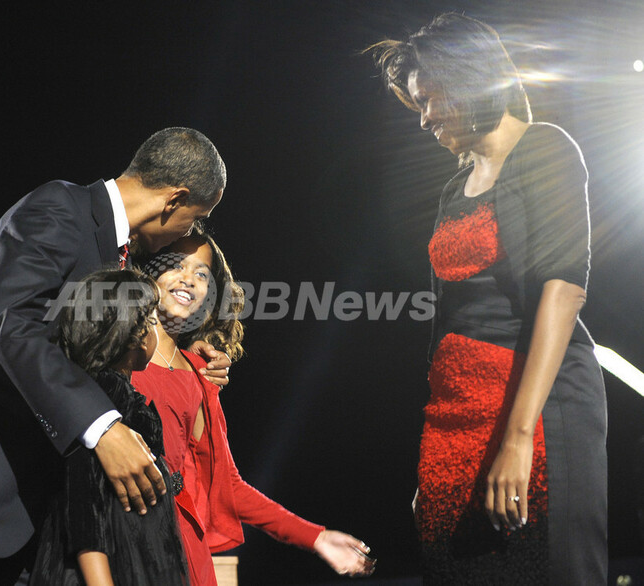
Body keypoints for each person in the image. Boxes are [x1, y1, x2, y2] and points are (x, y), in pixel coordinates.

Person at [0, 127, 231, 585]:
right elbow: (14, 326)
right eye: (197, 217)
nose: (191, 231)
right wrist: (103, 429)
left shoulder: (118, 254)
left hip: (24, 512)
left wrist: (186, 351)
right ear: (174, 200)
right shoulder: (59, 208)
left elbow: (103, 340)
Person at [368, 13, 607, 585]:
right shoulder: (454, 185)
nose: (424, 118)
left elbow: (565, 286)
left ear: (470, 81)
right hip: (456, 413)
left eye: (429, 99)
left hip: (537, 407)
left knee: (548, 566)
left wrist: (518, 437)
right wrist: (436, 459)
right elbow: (446, 321)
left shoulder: (545, 147)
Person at [132, 228, 376, 584]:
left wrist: (315, 536)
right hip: (125, 545)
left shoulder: (203, 374)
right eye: (176, 265)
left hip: (185, 558)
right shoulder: (118, 357)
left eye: (202, 274)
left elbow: (227, 485)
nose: (189, 279)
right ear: (148, 272)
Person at [30, 268, 189, 586]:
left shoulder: (107, 393)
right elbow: (84, 501)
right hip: (108, 568)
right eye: (154, 321)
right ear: (135, 333)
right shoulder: (105, 394)